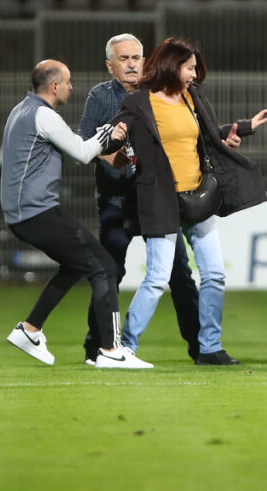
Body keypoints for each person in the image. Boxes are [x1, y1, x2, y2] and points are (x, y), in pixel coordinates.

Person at [112, 37, 267, 366]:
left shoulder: (191, 96)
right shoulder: (140, 102)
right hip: (161, 202)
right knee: (156, 279)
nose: (194, 74)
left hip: (199, 200)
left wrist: (244, 127)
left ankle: (209, 348)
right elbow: (116, 141)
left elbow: (209, 134)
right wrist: (113, 152)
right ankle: (123, 348)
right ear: (173, 66)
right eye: (189, 67)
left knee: (214, 275)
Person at [1, 59, 151, 369]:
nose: (71, 87)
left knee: (74, 265)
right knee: (105, 268)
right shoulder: (44, 115)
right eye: (68, 82)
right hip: (35, 211)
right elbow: (83, 153)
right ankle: (110, 350)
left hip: (22, 212)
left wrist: (103, 140)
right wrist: (110, 130)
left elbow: (70, 148)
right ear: (54, 86)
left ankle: (30, 330)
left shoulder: (20, 110)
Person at [77, 33, 201, 365]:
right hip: (116, 200)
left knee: (180, 275)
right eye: (124, 59)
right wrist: (109, 156)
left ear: (145, 61)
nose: (132, 64)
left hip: (157, 199)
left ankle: (201, 348)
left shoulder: (157, 94)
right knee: (110, 272)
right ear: (109, 65)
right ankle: (99, 347)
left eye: (136, 58)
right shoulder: (100, 97)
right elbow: (81, 143)